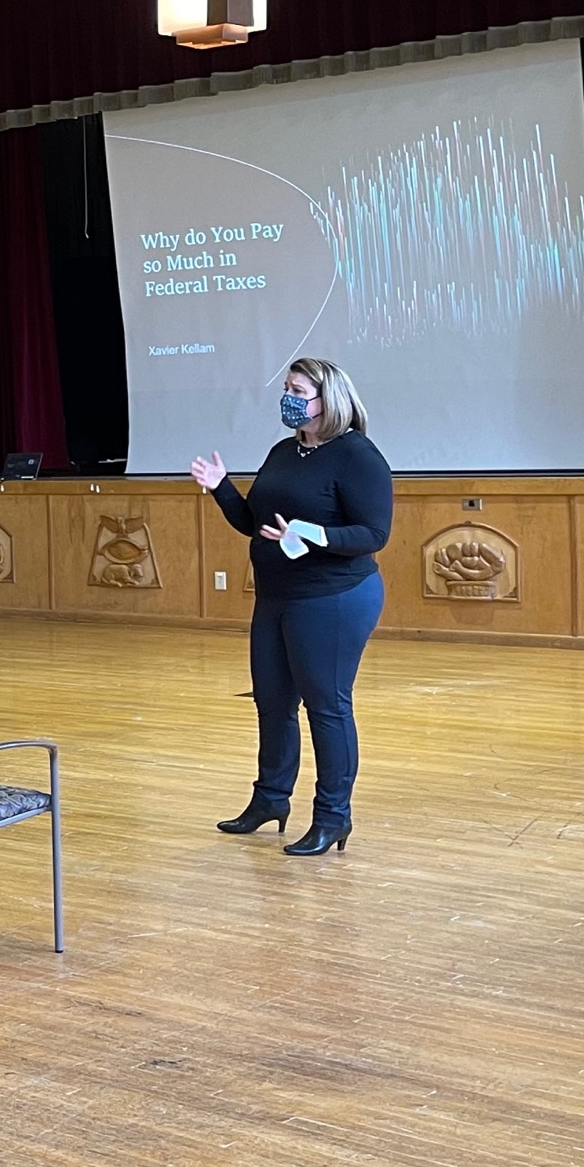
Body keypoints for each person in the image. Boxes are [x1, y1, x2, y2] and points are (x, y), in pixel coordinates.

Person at [191, 357, 393, 858]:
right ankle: (270, 800)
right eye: (286, 388)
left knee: (327, 708)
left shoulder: (357, 456)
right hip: (276, 595)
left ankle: (332, 817)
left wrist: (310, 533)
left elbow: (374, 534)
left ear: (329, 399)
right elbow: (254, 522)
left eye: (298, 389)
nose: (288, 397)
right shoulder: (285, 451)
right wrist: (221, 488)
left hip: (334, 597)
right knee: (273, 703)